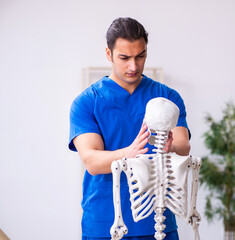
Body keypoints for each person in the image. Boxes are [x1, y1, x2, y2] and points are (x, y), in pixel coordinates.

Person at [69, 17, 191, 240]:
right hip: (105, 222)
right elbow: (92, 161)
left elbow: (183, 145)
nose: (133, 66)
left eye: (140, 56)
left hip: (158, 223)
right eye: (124, 58)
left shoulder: (168, 97)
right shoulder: (87, 102)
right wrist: (129, 153)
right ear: (109, 54)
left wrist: (169, 148)